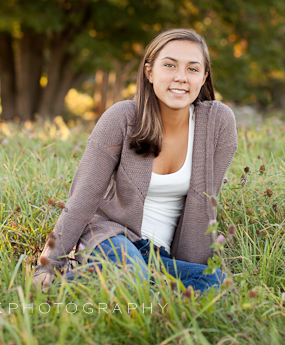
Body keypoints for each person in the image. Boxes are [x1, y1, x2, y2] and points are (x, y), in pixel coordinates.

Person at [32, 28, 238, 293]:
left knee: (215, 283)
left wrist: (189, 265)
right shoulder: (122, 117)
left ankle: (116, 289)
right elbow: (84, 196)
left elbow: (205, 205)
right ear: (149, 72)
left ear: (204, 77)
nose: (180, 77)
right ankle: (75, 283)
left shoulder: (217, 122)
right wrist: (47, 264)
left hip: (158, 257)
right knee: (134, 277)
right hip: (111, 237)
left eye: (192, 69)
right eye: (169, 65)